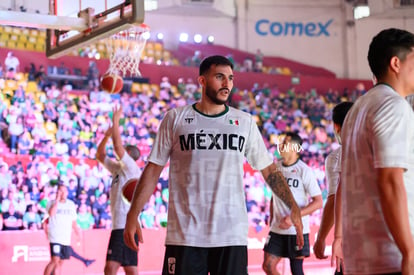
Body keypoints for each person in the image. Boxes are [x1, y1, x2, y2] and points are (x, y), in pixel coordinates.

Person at [124, 55, 304, 275]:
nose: (227, 84)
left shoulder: (244, 122)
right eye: (219, 77)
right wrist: (133, 213)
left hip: (231, 235)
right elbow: (153, 169)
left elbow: (268, 169)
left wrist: (293, 207)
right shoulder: (175, 119)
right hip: (185, 235)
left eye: (230, 78)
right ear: (202, 80)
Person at [332, 28, 414, 275]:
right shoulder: (393, 106)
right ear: (396, 63)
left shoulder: (358, 108)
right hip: (392, 256)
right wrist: (409, 253)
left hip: (363, 258)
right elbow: (390, 180)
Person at [262, 132, 323, 275]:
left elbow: (318, 202)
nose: (281, 145)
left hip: (296, 230)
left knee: (296, 270)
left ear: (296, 148)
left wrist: (293, 218)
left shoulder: (304, 170)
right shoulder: (275, 168)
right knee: (268, 266)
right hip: (277, 229)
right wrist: (272, 220)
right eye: (281, 141)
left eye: (286, 142)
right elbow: (274, 197)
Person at [96, 105, 141, 275]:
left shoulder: (130, 167)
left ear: (128, 155)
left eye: (124, 151)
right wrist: (107, 135)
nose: (120, 153)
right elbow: (99, 155)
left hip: (124, 225)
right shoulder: (117, 169)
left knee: (111, 268)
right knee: (128, 269)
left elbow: (117, 146)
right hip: (121, 225)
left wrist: (115, 121)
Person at [313, 102, 353, 275]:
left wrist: (321, 237)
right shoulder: (379, 146)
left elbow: (334, 198)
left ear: (336, 127)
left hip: (351, 239)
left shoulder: (336, 157)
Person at [43, 184, 83, 275]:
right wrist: (57, 200)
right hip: (55, 236)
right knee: (54, 260)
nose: (62, 193)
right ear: (57, 192)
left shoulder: (71, 204)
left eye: (64, 191)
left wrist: (78, 233)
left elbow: (73, 221)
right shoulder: (51, 203)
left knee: (60, 262)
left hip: (65, 237)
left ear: (67, 192)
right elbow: (51, 214)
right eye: (60, 191)